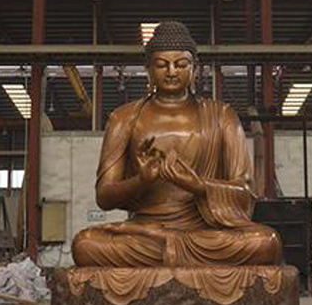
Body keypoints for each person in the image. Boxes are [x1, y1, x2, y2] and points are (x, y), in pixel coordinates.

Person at [72, 21, 281, 268]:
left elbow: (245, 192)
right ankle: (172, 251)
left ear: (194, 68)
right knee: (85, 244)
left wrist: (198, 185)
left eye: (181, 64)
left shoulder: (222, 115)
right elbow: (104, 196)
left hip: (203, 231)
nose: (171, 72)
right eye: (161, 65)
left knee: (265, 242)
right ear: (148, 68)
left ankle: (170, 251)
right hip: (145, 231)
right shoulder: (124, 118)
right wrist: (141, 180)